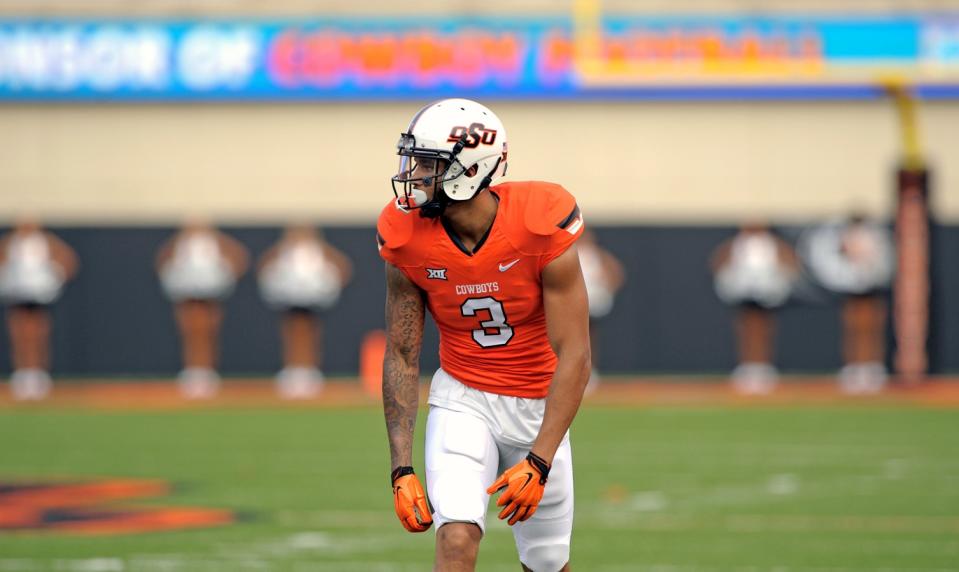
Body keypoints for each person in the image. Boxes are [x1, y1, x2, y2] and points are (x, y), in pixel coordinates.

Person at [377, 98, 590, 571]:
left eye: (428, 164)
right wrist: (400, 468)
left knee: (547, 562)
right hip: (464, 397)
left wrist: (539, 461)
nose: (414, 175)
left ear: (468, 168)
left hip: (538, 404)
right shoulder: (404, 233)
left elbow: (574, 353)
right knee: (455, 537)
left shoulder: (539, 221)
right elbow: (402, 355)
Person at [801, 213, 894, 393]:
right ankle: (854, 368)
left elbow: (880, 259)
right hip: (852, 285)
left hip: (871, 285)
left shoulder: (875, 237)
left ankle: (872, 367)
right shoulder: (846, 236)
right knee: (853, 328)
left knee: (871, 328)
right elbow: (842, 255)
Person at [156, 220, 248, 399]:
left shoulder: (217, 241)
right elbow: (162, 259)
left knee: (208, 332)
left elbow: (238, 256)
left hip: (210, 291)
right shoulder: (180, 242)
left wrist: (226, 275)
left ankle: (207, 373)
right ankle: (192, 372)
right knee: (190, 331)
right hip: (186, 292)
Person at [258, 224, 352, 398]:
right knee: (291, 332)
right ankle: (291, 370)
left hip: (312, 297)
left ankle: (310, 371)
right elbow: (264, 264)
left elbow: (344, 266)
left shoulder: (320, 249)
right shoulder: (284, 249)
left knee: (310, 332)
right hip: (290, 296)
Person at [711, 222, 799, 394]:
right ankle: (747, 367)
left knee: (764, 329)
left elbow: (789, 261)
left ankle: (763, 366)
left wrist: (779, 280)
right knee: (746, 328)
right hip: (744, 290)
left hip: (766, 291)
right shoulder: (738, 243)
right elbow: (718, 261)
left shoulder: (771, 243)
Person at [0, 219, 78, 400]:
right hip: (18, 293)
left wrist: (55, 279)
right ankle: (22, 376)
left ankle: (38, 376)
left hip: (38, 294)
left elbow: (68, 260)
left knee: (39, 335)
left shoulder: (45, 242)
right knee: (19, 335)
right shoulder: (11, 242)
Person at [577, 229, 625, 393]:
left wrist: (608, 288)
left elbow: (616, 272)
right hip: (574, 302)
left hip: (593, 301)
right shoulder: (570, 253)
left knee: (588, 337)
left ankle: (589, 373)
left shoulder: (596, 254)